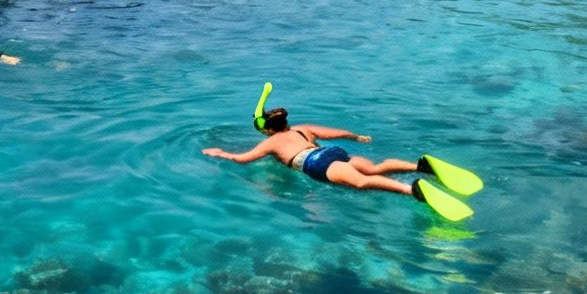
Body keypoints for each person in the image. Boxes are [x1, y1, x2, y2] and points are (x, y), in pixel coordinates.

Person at [202, 105, 479, 218]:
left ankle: (412, 189)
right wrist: (356, 137)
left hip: (315, 163)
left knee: (361, 182)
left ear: (266, 128)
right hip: (331, 151)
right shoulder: (302, 128)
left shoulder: (271, 142)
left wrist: (222, 154)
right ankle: (419, 166)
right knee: (374, 167)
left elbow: (243, 160)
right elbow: (335, 133)